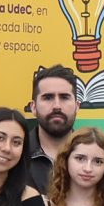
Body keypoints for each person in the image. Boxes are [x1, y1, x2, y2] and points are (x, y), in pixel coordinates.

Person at [21, 64, 80, 195]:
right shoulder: (16, 154)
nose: (57, 106)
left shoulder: (94, 156)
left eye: (64, 97)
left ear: (77, 106)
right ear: (33, 107)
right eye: (48, 97)